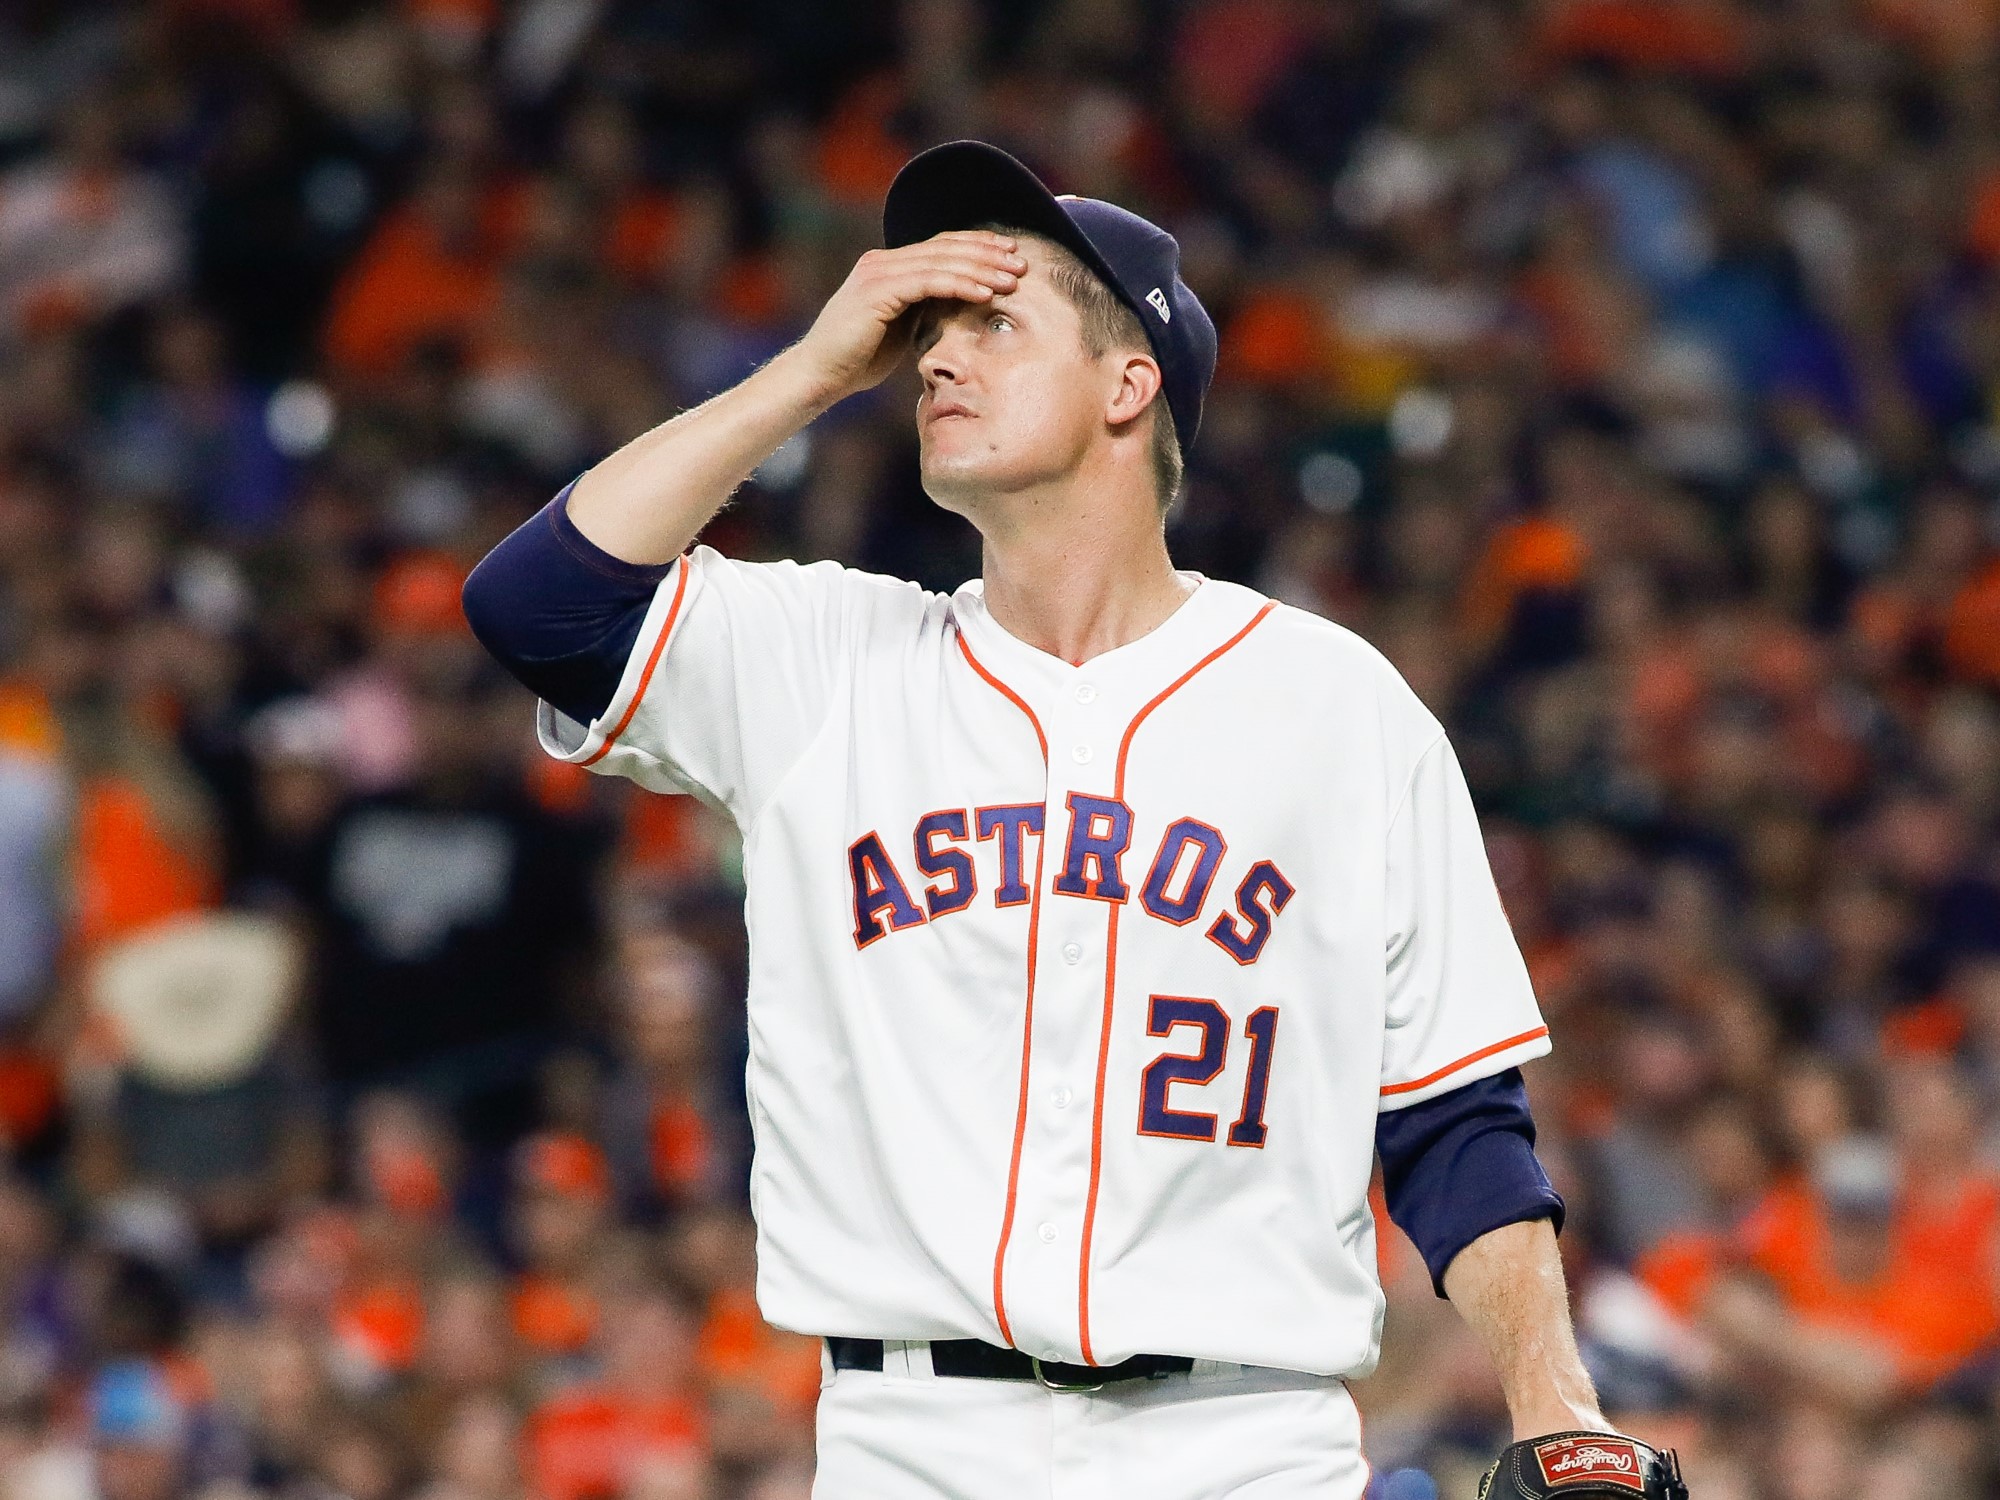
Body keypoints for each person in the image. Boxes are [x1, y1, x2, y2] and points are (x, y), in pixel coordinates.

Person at [465, 141, 1674, 1498]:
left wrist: (1554, 1403)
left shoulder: (1338, 706)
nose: (931, 356)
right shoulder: (825, 660)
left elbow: (1454, 1114)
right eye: (923, 326)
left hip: (1243, 1442)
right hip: (910, 1442)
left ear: (1128, 382)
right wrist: (810, 369)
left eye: (992, 318)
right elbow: (536, 608)